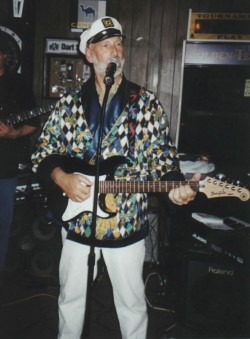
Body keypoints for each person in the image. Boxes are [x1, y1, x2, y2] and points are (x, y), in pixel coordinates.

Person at [31, 16, 200, 339]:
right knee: (70, 300)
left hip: (126, 222)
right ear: (89, 54)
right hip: (78, 222)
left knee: (132, 304)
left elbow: (161, 158)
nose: (115, 51)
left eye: (119, 44)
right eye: (106, 45)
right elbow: (42, 152)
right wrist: (61, 177)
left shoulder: (145, 103)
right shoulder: (67, 106)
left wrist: (175, 186)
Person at [0, 32, 39, 276]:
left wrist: (13, 134)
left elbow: (35, 123)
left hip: (5, 169)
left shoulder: (19, 84)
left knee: (2, 225)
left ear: (3, 56)